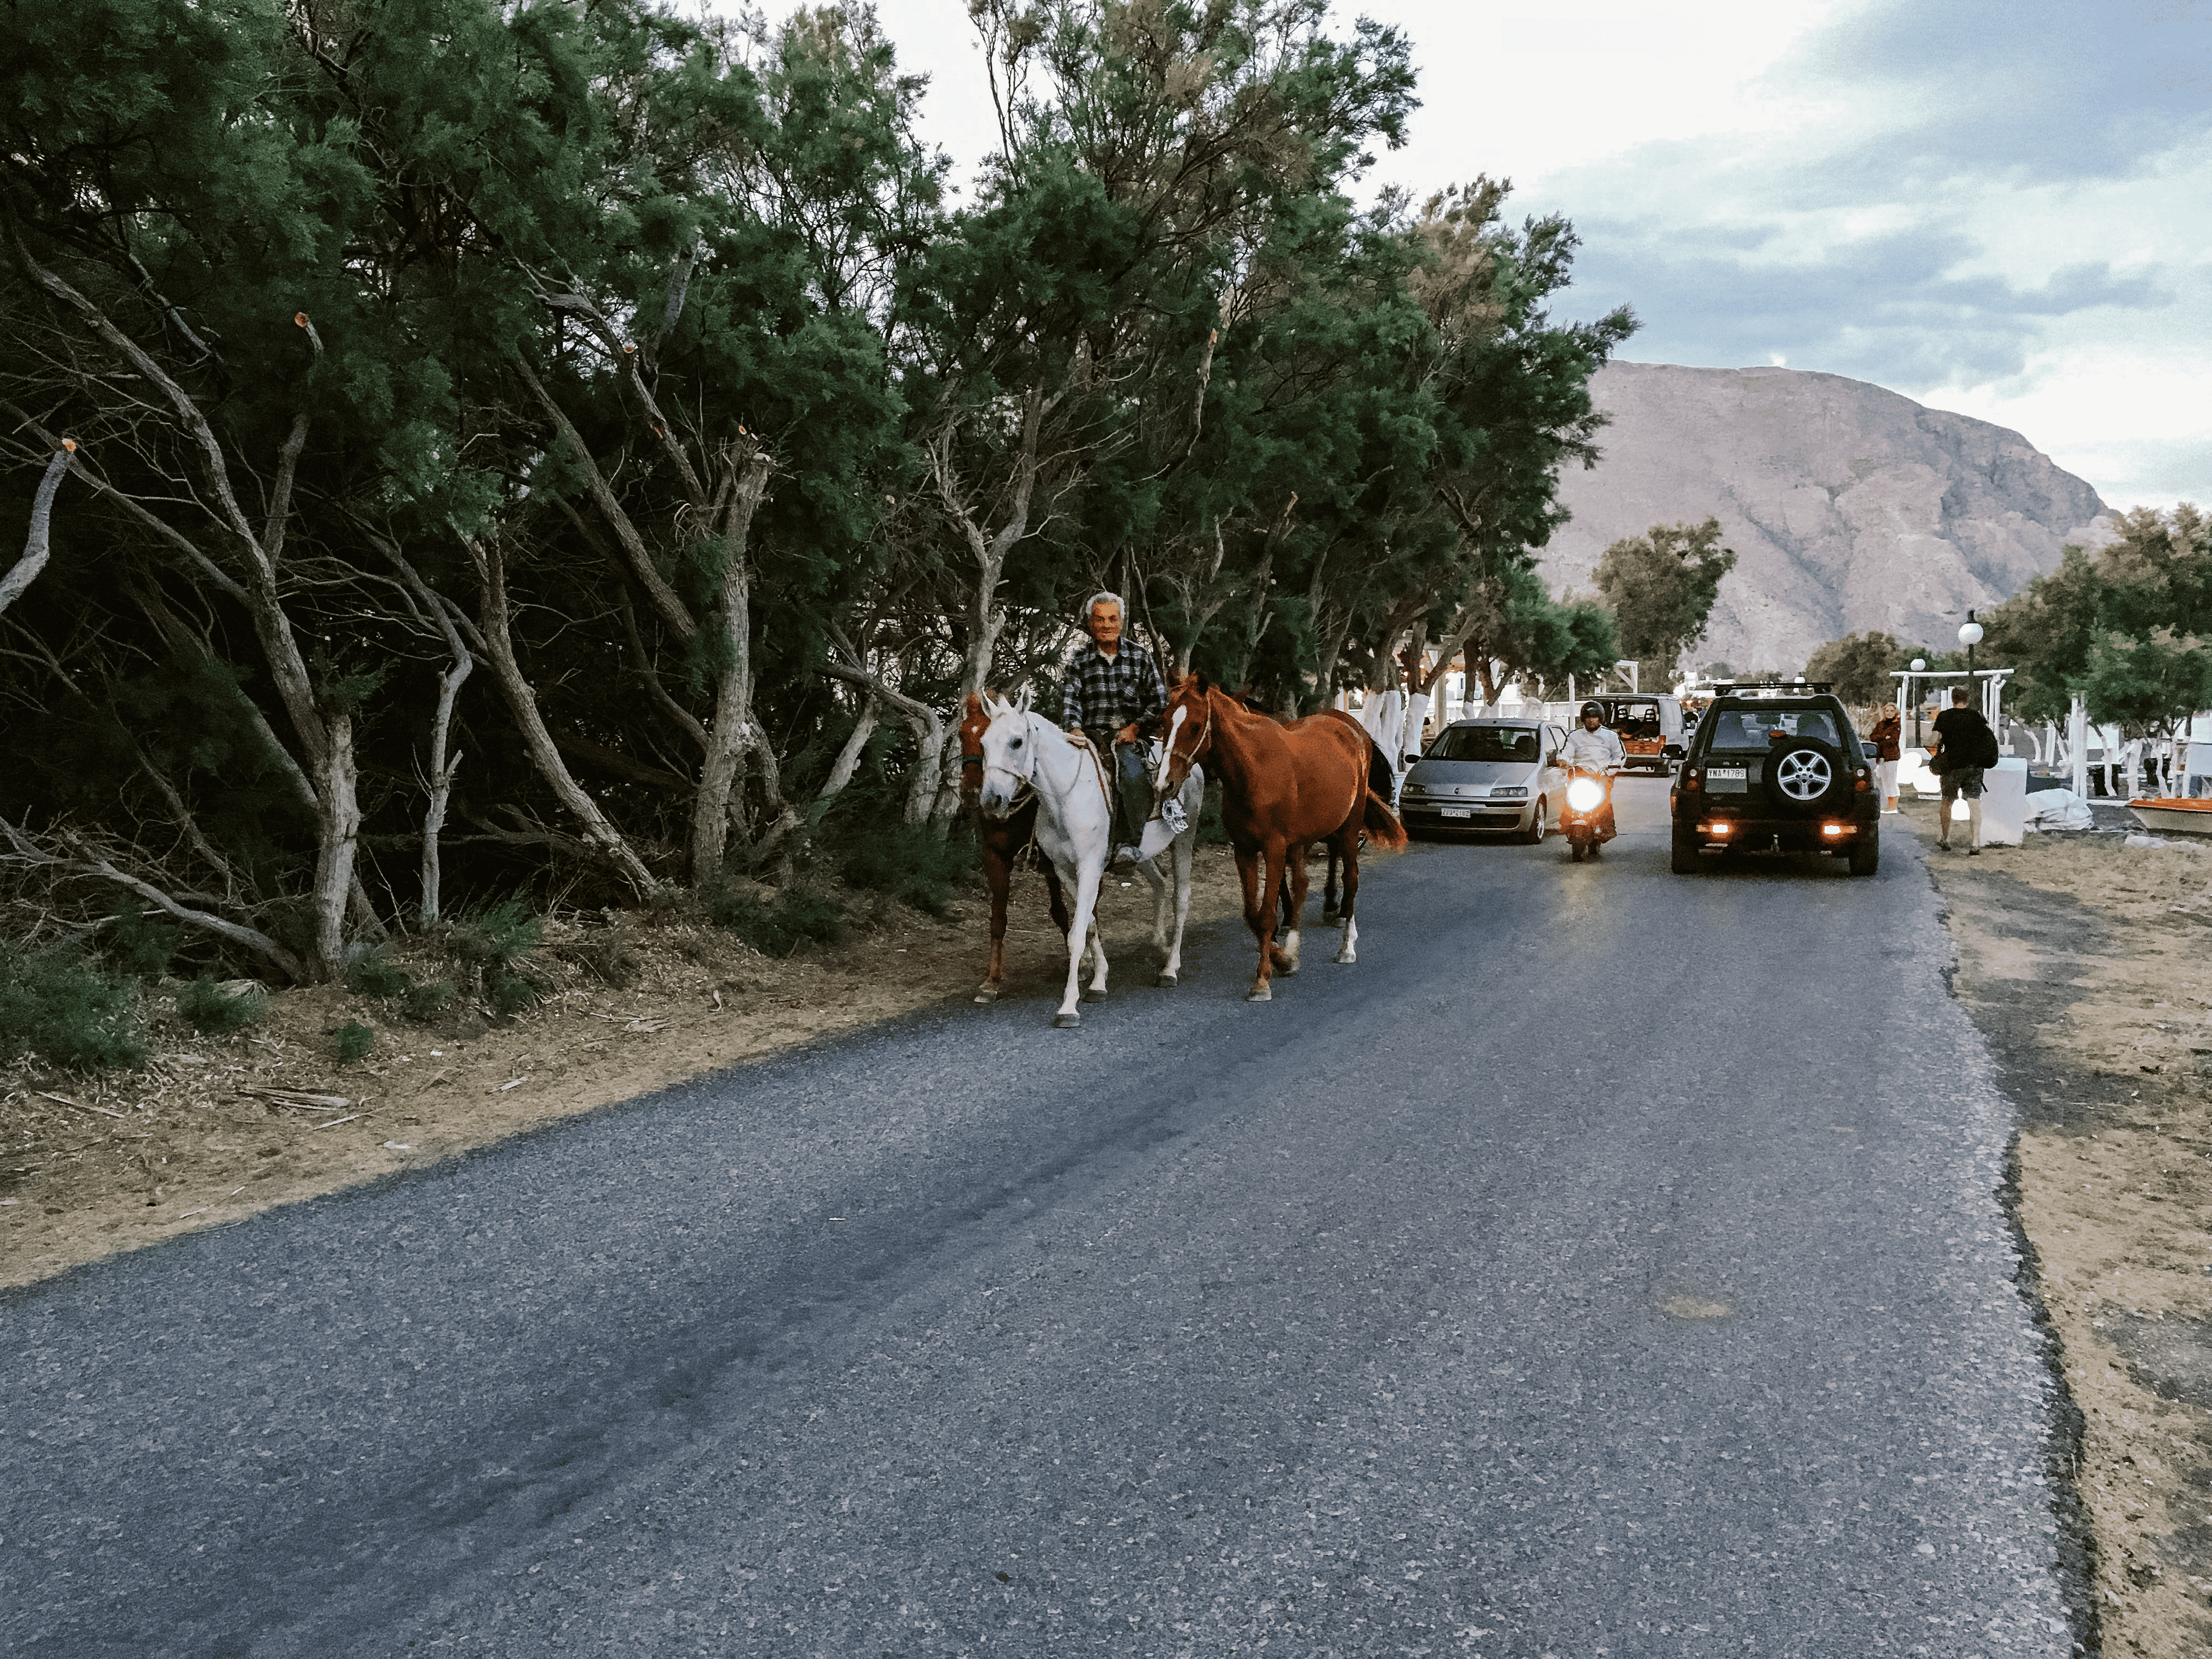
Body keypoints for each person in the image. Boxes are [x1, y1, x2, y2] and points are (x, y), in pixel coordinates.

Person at [1060, 590, 1167, 862]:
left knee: (1131, 773)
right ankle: (1054, 843)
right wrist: (1074, 727)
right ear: (1090, 623)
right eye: (1099, 619)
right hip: (1090, 736)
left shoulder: (1140, 657)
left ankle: (1128, 844)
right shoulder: (1079, 660)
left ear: (1121, 622)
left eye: (1112, 619)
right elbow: (1071, 698)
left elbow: (1159, 700)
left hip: (1129, 738)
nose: (1106, 625)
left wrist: (1136, 728)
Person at [1929, 687, 1999, 854]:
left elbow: (1932, 740)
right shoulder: (1976, 716)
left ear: (1953, 700)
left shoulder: (1945, 716)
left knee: (1947, 801)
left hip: (1952, 766)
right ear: (1967, 700)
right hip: (1974, 767)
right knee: (1974, 803)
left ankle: (1945, 839)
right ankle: (1975, 843)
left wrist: (1937, 754)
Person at [1560, 701, 1626, 853]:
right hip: (1581, 775)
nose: (1591, 720)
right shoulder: (1574, 736)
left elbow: (1620, 756)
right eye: (1588, 717)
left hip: (1603, 775)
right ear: (1583, 719)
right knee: (1569, 800)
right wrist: (1563, 760)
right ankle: (1566, 825)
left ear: (1600, 719)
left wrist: (1612, 768)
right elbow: (1566, 752)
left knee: (1604, 803)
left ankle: (1604, 829)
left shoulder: (1611, 736)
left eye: (1595, 717)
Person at [1869, 702, 1903, 814]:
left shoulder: (1896, 725)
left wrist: (1881, 738)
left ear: (1895, 712)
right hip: (1881, 756)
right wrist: (1884, 737)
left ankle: (1893, 806)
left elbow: (1892, 741)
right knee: (1885, 781)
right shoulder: (1881, 724)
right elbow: (1872, 737)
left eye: (1891, 711)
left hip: (1892, 756)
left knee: (1891, 781)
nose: (1889, 713)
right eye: (1887, 711)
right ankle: (1889, 805)